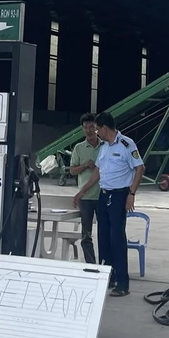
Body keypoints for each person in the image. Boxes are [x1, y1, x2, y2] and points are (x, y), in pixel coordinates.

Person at [74, 111, 144, 297]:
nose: (96, 132)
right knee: (103, 237)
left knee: (116, 238)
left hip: (119, 195)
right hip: (104, 195)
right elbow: (98, 171)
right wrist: (82, 191)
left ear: (105, 128)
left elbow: (140, 168)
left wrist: (131, 193)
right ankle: (108, 277)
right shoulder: (104, 147)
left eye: (97, 129)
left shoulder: (126, 144)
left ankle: (122, 283)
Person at [69, 113, 100, 264]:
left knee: (104, 233)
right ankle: (91, 264)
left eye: (91, 127)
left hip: (102, 196)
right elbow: (72, 170)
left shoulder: (105, 146)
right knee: (86, 235)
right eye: (85, 127)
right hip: (85, 198)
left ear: (97, 128)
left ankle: (105, 263)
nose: (89, 130)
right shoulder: (79, 148)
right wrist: (84, 166)